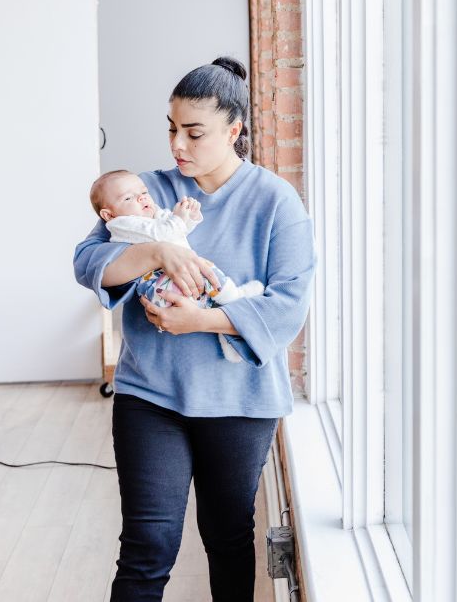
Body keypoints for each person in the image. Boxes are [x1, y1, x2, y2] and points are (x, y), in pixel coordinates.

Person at [73, 56, 315, 602]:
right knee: (146, 545)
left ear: (234, 131)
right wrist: (154, 248)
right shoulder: (145, 192)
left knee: (228, 540)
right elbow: (89, 261)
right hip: (150, 397)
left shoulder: (276, 201)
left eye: (193, 132)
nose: (177, 145)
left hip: (239, 404)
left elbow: (289, 308)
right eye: (171, 128)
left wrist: (200, 321)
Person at [89, 169, 266, 362]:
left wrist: (189, 217)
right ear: (109, 214)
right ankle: (236, 296)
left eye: (144, 193)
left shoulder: (149, 215)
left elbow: (177, 232)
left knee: (211, 307)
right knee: (206, 270)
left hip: (169, 285)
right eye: (128, 198)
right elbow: (165, 234)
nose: (141, 199)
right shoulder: (124, 224)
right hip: (162, 287)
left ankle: (227, 335)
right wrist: (178, 218)